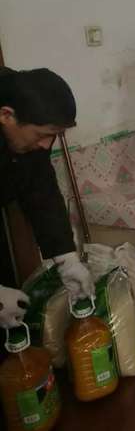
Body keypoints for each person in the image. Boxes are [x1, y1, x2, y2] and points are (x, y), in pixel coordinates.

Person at [0, 67, 94, 331]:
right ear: (6, 116)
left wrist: (67, 258)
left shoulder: (32, 141)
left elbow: (41, 192)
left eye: (55, 135)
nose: (46, 145)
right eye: (42, 134)